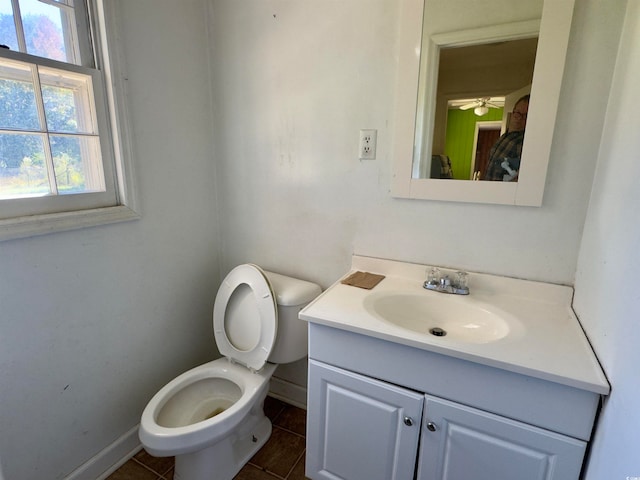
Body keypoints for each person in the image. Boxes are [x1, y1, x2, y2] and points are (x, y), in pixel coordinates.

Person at [483, 95, 529, 181]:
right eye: (518, 113)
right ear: (513, 113)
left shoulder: (523, 141)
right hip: (487, 188)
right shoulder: (504, 137)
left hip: (502, 192)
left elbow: (524, 173)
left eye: (525, 116)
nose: (519, 118)